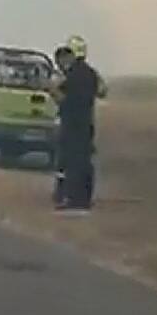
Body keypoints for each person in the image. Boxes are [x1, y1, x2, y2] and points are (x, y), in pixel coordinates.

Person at [51, 36, 107, 211]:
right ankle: (84, 198)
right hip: (86, 123)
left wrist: (51, 89)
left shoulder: (70, 74)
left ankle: (70, 198)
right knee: (84, 161)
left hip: (71, 122)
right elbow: (103, 92)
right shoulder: (91, 73)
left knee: (69, 161)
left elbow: (62, 97)